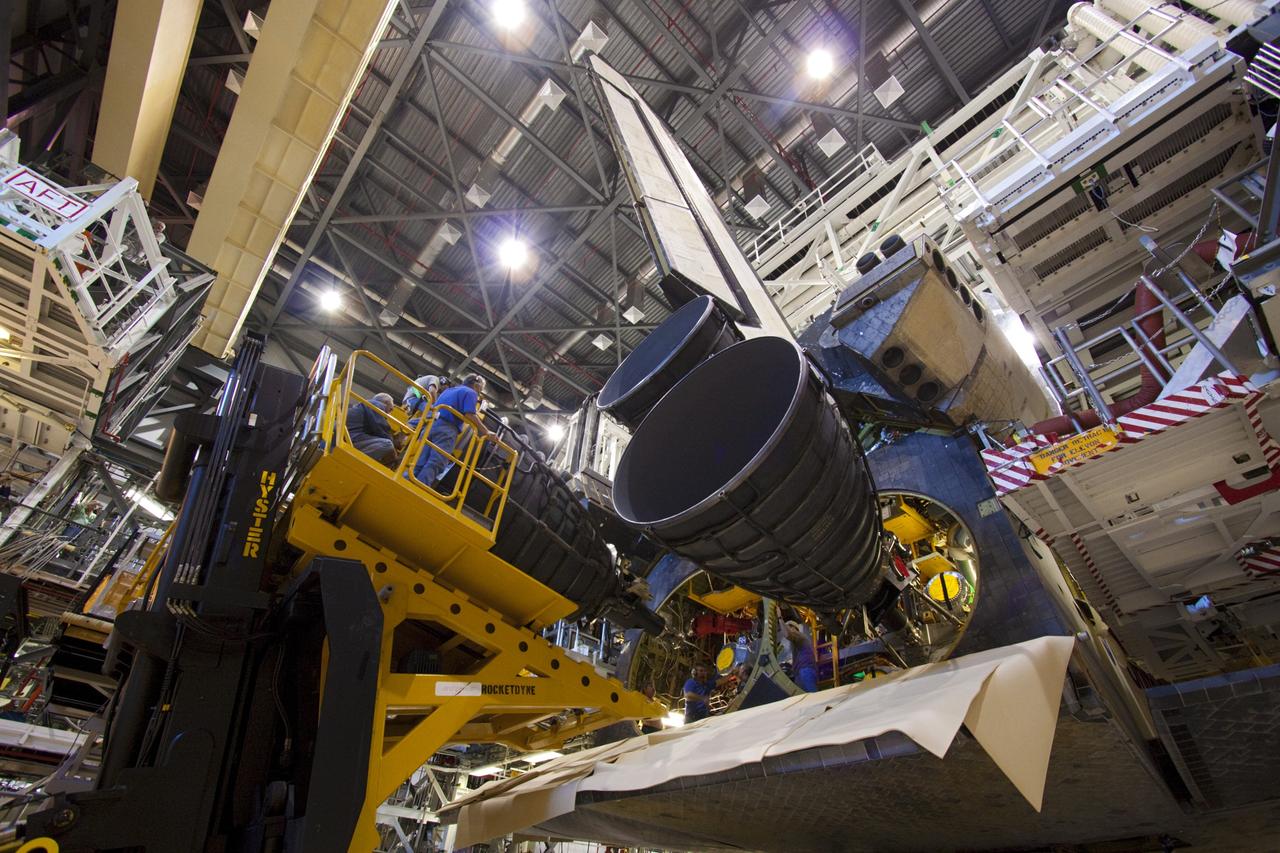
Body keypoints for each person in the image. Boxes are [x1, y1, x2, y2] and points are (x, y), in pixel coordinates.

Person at [414, 375, 489, 487]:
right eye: (481, 389)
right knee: (437, 462)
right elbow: (469, 414)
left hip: (432, 425)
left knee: (421, 460)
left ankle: (408, 479)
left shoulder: (449, 390)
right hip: (447, 429)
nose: (480, 392)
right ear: (476, 385)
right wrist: (486, 432)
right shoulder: (471, 392)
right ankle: (418, 487)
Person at [347, 392, 397, 465]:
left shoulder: (365, 405)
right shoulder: (376, 405)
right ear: (386, 403)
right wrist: (394, 444)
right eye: (391, 409)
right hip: (353, 438)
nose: (389, 413)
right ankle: (353, 461)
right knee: (387, 444)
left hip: (350, 436)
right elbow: (381, 427)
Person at [785, 620, 819, 693]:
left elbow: (787, 634)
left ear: (793, 628)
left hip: (805, 670)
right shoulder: (798, 640)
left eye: (787, 628)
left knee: (813, 696)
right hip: (801, 671)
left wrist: (779, 617)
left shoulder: (798, 635)